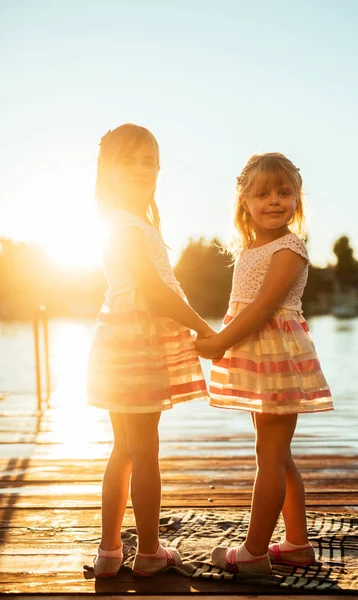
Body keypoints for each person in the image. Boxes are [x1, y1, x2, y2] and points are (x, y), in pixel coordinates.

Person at [196, 152, 333, 576]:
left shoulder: (290, 247)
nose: (275, 201)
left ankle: (254, 553)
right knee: (276, 453)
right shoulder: (251, 247)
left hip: (277, 357)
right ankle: (295, 544)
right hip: (259, 357)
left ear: (297, 199)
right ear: (245, 203)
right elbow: (241, 307)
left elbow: (261, 308)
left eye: (284, 192)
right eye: (263, 194)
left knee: (270, 456)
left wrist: (220, 342)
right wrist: (221, 337)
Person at [87, 123, 213, 578]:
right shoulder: (125, 226)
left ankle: (108, 551)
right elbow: (156, 292)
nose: (142, 169)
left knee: (123, 448)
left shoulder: (125, 222)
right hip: (135, 343)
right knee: (144, 452)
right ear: (108, 170)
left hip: (118, 341)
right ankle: (150, 552)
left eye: (149, 161)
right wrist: (205, 331)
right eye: (130, 160)